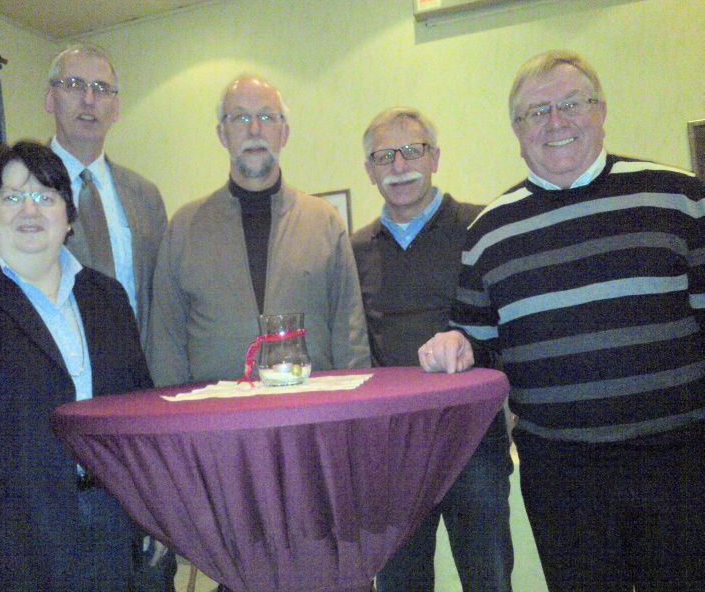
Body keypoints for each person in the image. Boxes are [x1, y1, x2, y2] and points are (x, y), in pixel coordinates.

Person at [419, 50, 705, 591]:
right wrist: (455, 345)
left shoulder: (680, 197)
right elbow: (479, 343)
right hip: (561, 471)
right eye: (536, 112)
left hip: (679, 460)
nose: (556, 122)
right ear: (516, 130)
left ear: (600, 110)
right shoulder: (489, 232)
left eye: (571, 103)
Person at [0, 141, 149, 591]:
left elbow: (141, 420)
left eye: (45, 196)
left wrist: (158, 519)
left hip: (115, 540)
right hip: (4, 555)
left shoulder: (108, 298)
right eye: (11, 197)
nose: (29, 210)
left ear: (68, 216)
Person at [351, 107, 513, 592]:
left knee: (488, 579)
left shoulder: (483, 228)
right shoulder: (353, 250)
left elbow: (512, 327)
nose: (399, 165)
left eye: (412, 150)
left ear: (435, 157)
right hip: (391, 451)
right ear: (370, 170)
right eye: (384, 156)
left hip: (473, 441)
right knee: (401, 583)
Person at [147, 74, 370, 387]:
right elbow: (166, 343)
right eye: (240, 118)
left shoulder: (324, 222)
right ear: (222, 134)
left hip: (309, 415)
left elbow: (351, 332)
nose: (254, 129)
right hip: (215, 423)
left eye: (266, 117)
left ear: (285, 133)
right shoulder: (184, 229)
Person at [0, 44, 167, 347]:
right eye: (73, 85)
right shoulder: (1, 188)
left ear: (116, 108)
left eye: (102, 88)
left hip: (131, 372)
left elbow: (159, 302)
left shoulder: (145, 196)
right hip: (37, 374)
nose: (89, 99)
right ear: (49, 99)